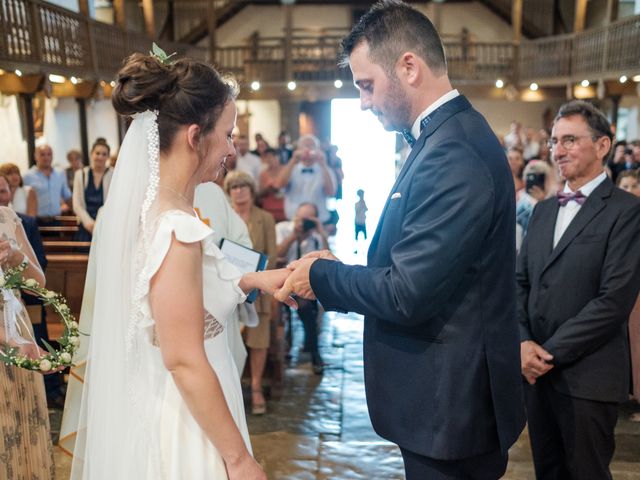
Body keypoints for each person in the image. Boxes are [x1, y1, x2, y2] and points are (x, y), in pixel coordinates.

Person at [275, 2, 525, 478]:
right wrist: (338, 266)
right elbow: (417, 260)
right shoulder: (441, 138)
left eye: (367, 85)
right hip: (443, 402)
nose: (364, 102)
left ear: (409, 66)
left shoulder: (453, 151)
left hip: (452, 407)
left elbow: (409, 292)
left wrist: (323, 276)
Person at [67, 52, 294, 480]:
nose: (232, 148)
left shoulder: (162, 211)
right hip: (190, 416)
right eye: (227, 135)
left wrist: (258, 278)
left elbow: (190, 296)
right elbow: (184, 358)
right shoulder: (175, 228)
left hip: (186, 398)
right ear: (195, 136)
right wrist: (239, 458)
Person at [517, 100, 640, 479]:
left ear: (603, 146)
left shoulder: (626, 211)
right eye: (555, 141)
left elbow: (613, 300)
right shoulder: (543, 211)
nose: (558, 150)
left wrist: (547, 353)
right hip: (536, 376)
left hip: (589, 376)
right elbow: (520, 284)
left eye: (570, 140)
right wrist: (521, 342)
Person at [0, 204, 54, 479]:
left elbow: (38, 282)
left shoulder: (7, 217)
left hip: (18, 331)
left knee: (24, 428)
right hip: (7, 338)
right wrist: (7, 340)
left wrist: (17, 258)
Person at [224, 171, 277, 414]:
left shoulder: (264, 218)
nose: (239, 191)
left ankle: (256, 387)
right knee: (228, 338)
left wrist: (265, 282)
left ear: (251, 189)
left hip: (258, 285)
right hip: (228, 285)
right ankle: (229, 389)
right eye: (234, 187)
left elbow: (271, 253)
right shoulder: (224, 216)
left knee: (258, 340)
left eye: (243, 186)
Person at [276, 202, 329, 375]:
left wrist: (320, 231)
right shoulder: (283, 228)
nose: (303, 222)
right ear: (295, 216)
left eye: (308, 219)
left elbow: (328, 259)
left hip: (303, 284)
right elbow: (277, 253)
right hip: (281, 280)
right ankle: (285, 351)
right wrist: (294, 236)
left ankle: (314, 353)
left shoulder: (315, 236)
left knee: (307, 308)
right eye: (300, 218)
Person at [276, 134, 336, 223]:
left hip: (319, 220)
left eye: (312, 146)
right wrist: (293, 160)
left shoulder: (326, 170)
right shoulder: (291, 168)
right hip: (293, 219)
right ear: (298, 150)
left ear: (318, 150)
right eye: (305, 146)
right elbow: (279, 185)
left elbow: (331, 193)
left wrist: (323, 164)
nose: (308, 149)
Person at [72, 139, 113, 241]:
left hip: (107, 225)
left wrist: (100, 225)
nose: (100, 157)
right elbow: (76, 204)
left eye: (104, 154)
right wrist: (89, 224)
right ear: (92, 154)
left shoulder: (114, 174)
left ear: (108, 157)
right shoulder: (80, 174)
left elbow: (114, 202)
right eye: (97, 153)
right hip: (86, 225)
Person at [23, 144, 72, 223]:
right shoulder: (27, 176)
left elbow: (67, 197)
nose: (46, 157)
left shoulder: (60, 174)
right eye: (42, 154)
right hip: (36, 221)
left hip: (56, 220)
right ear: (35, 156)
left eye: (49, 154)